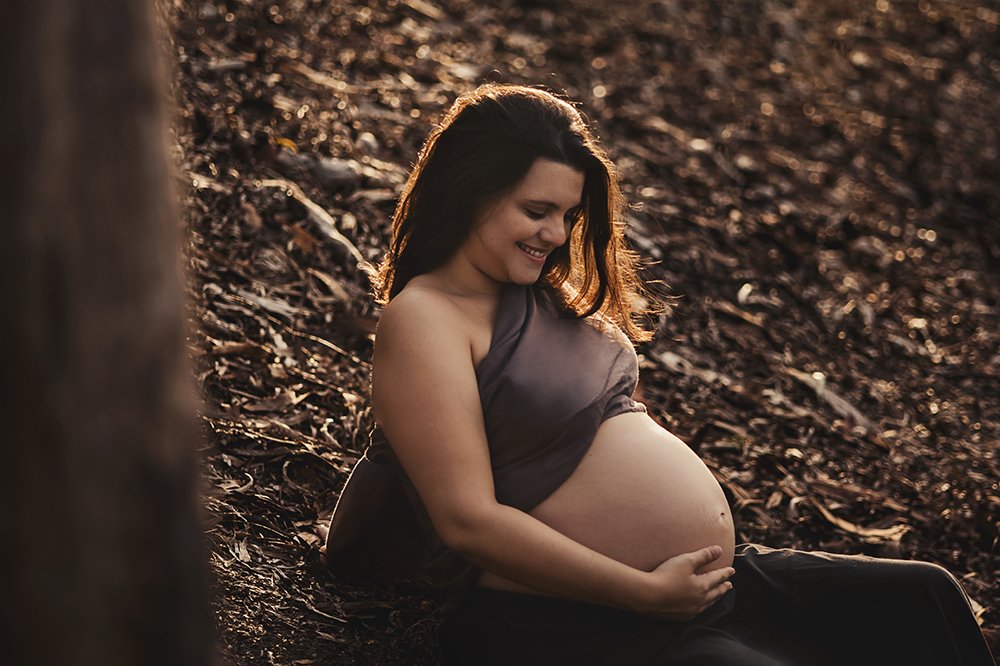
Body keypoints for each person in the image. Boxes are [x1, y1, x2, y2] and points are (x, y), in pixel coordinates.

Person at [324, 84, 994, 665]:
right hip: (575, 621)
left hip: (706, 585)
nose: (557, 234)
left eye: (568, 214)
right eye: (536, 211)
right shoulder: (426, 319)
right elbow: (466, 521)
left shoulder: (536, 293)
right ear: (470, 192)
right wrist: (642, 588)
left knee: (924, 598)